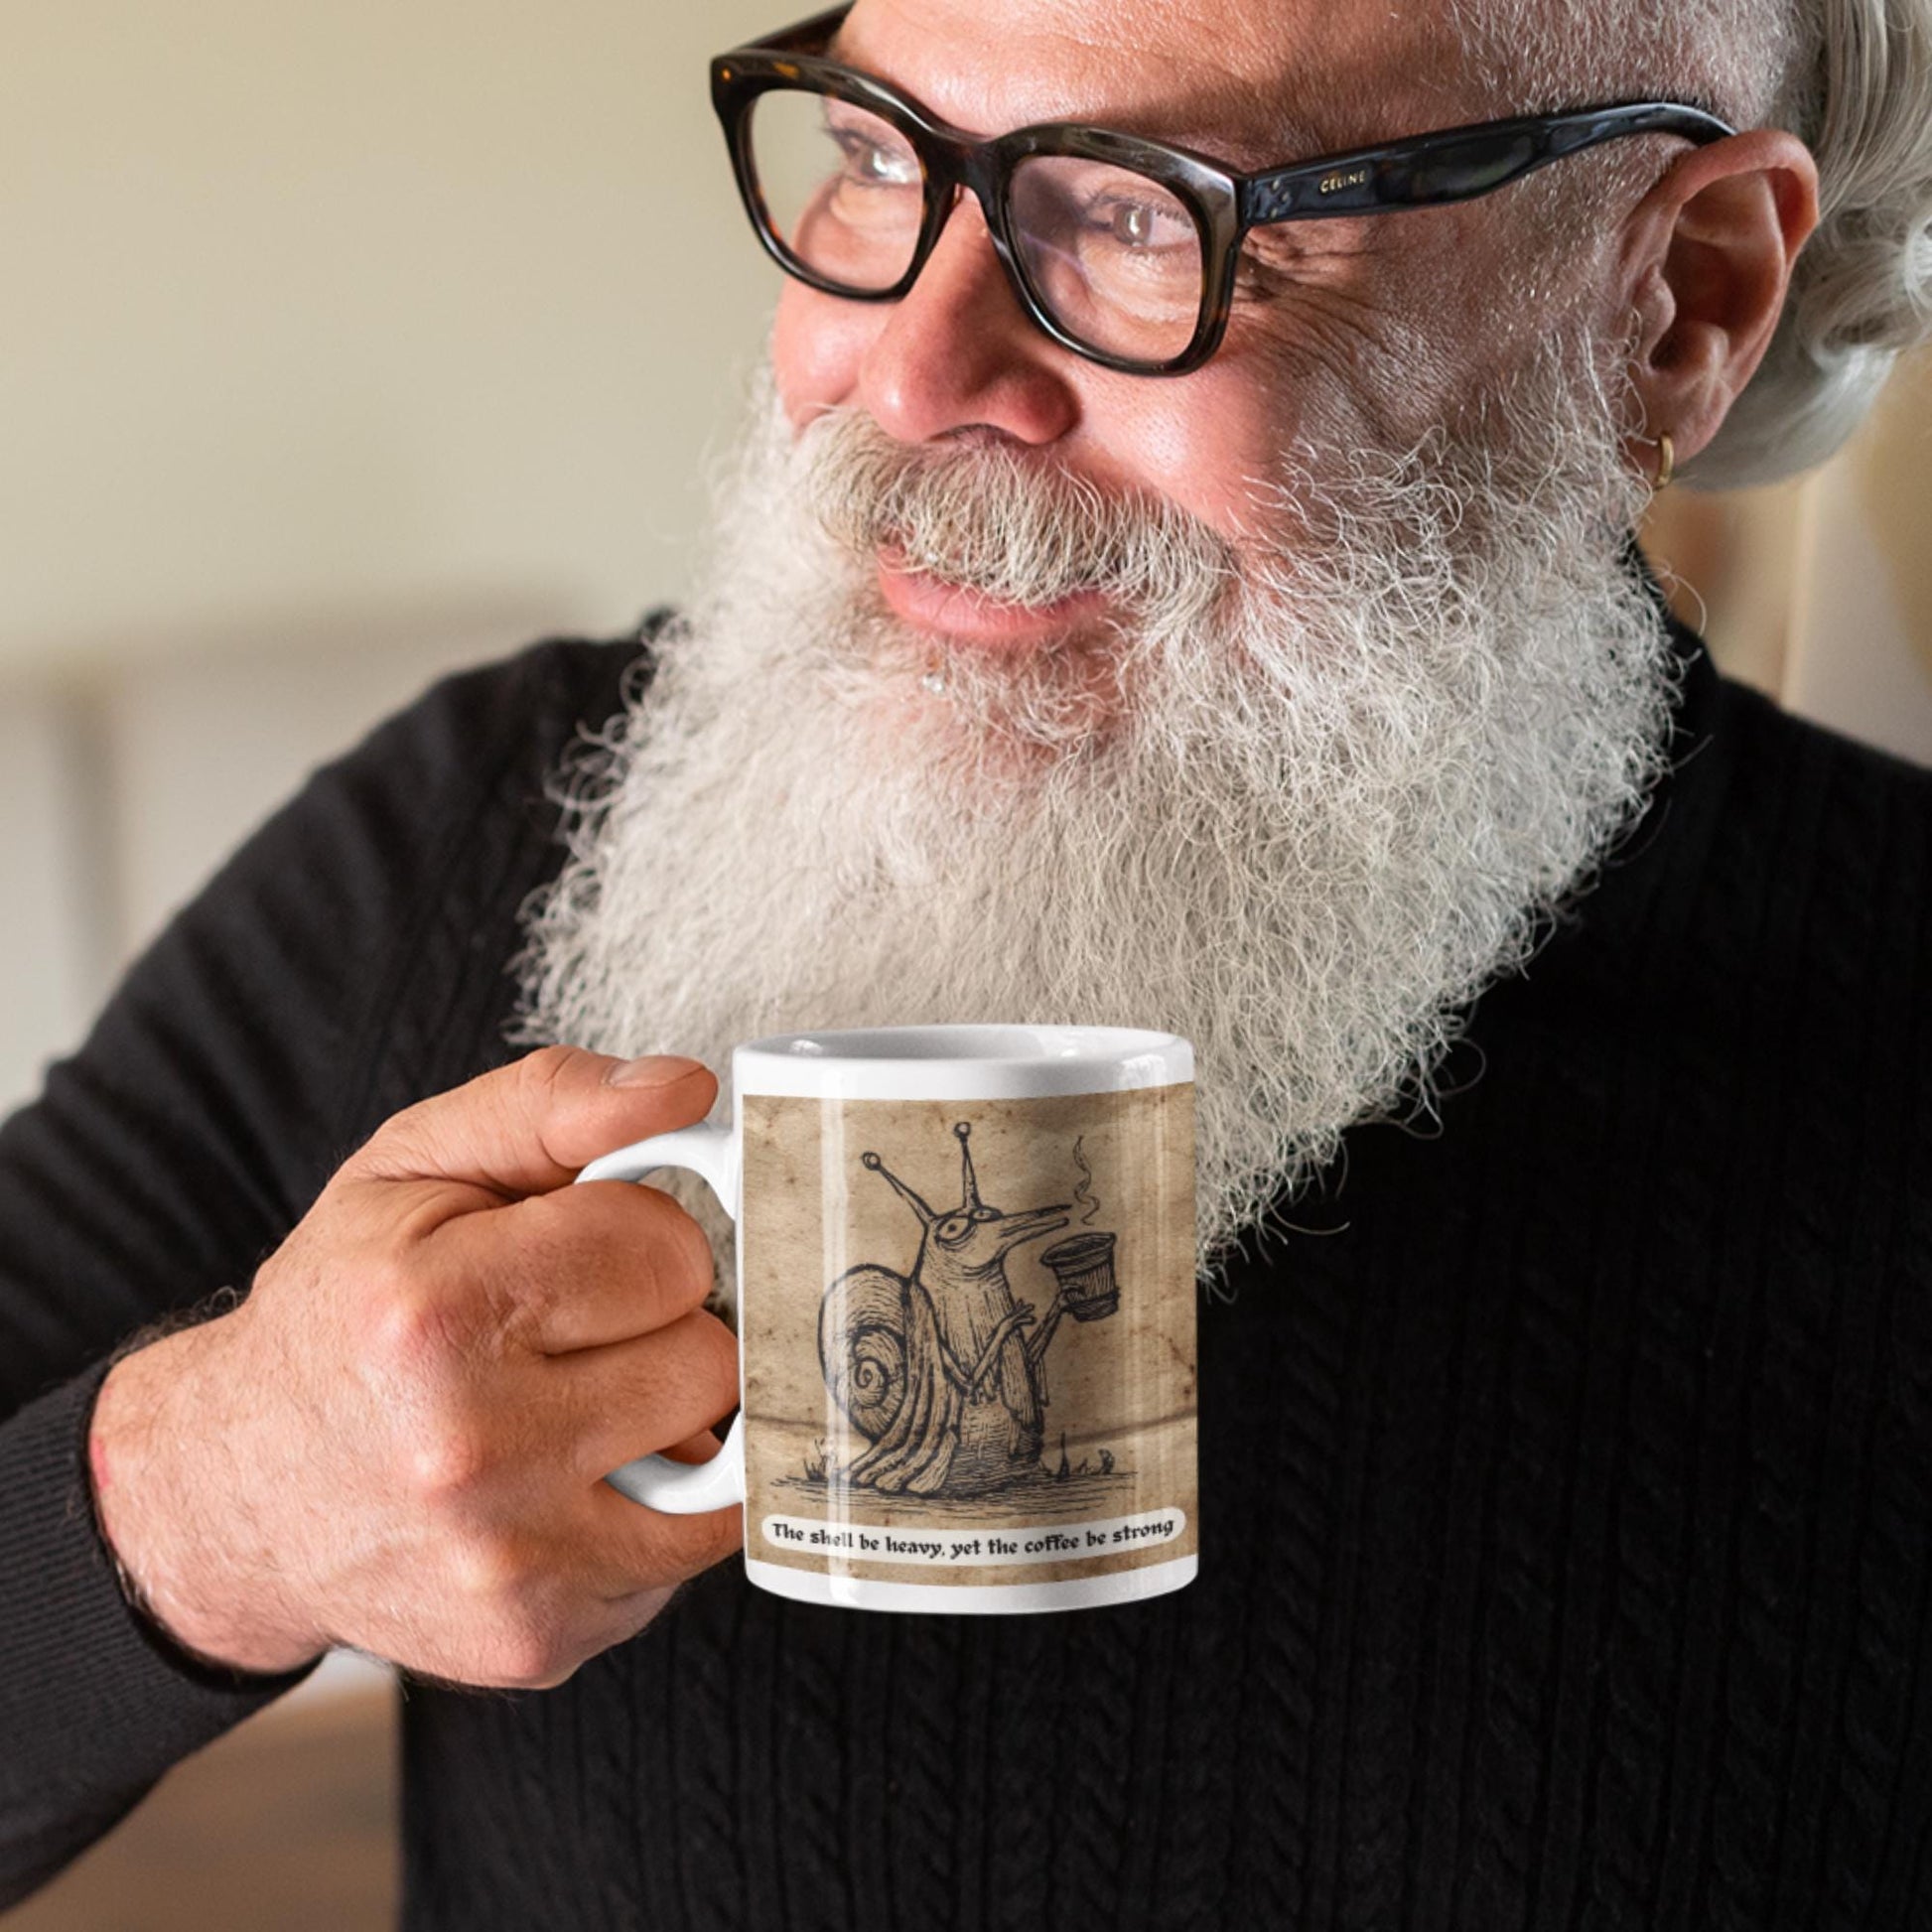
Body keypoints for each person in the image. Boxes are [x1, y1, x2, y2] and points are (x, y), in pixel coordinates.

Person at [4, 0, 1930, 1922]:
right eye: (871, 156)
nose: (914, 372)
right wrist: (203, 1511)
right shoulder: (468, 838)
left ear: (1672, 294)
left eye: (1143, 211)